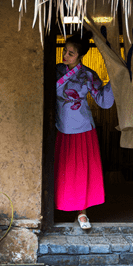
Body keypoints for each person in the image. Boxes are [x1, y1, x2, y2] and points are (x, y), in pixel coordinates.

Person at [55, 30, 115, 230]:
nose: (66, 56)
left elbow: (103, 101)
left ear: (81, 56)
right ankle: (55, 207)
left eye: (71, 53)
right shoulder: (55, 71)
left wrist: (115, 81)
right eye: (65, 51)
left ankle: (82, 214)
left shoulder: (88, 75)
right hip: (59, 126)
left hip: (82, 128)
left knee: (80, 172)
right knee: (62, 169)